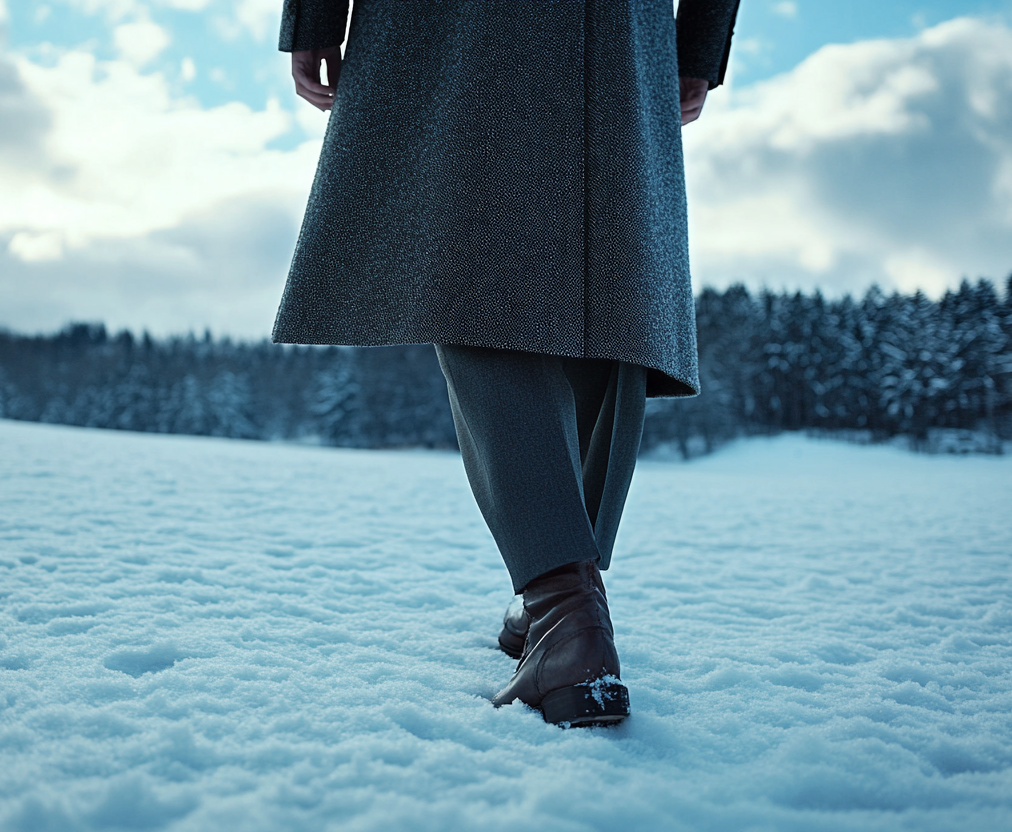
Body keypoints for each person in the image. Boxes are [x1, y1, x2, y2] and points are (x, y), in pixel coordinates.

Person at [275, 0, 740, 727]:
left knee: (471, 251)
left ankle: (564, 608)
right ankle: (563, 593)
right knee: (605, 253)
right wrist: (699, 41)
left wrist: (312, 18)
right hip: (624, 21)